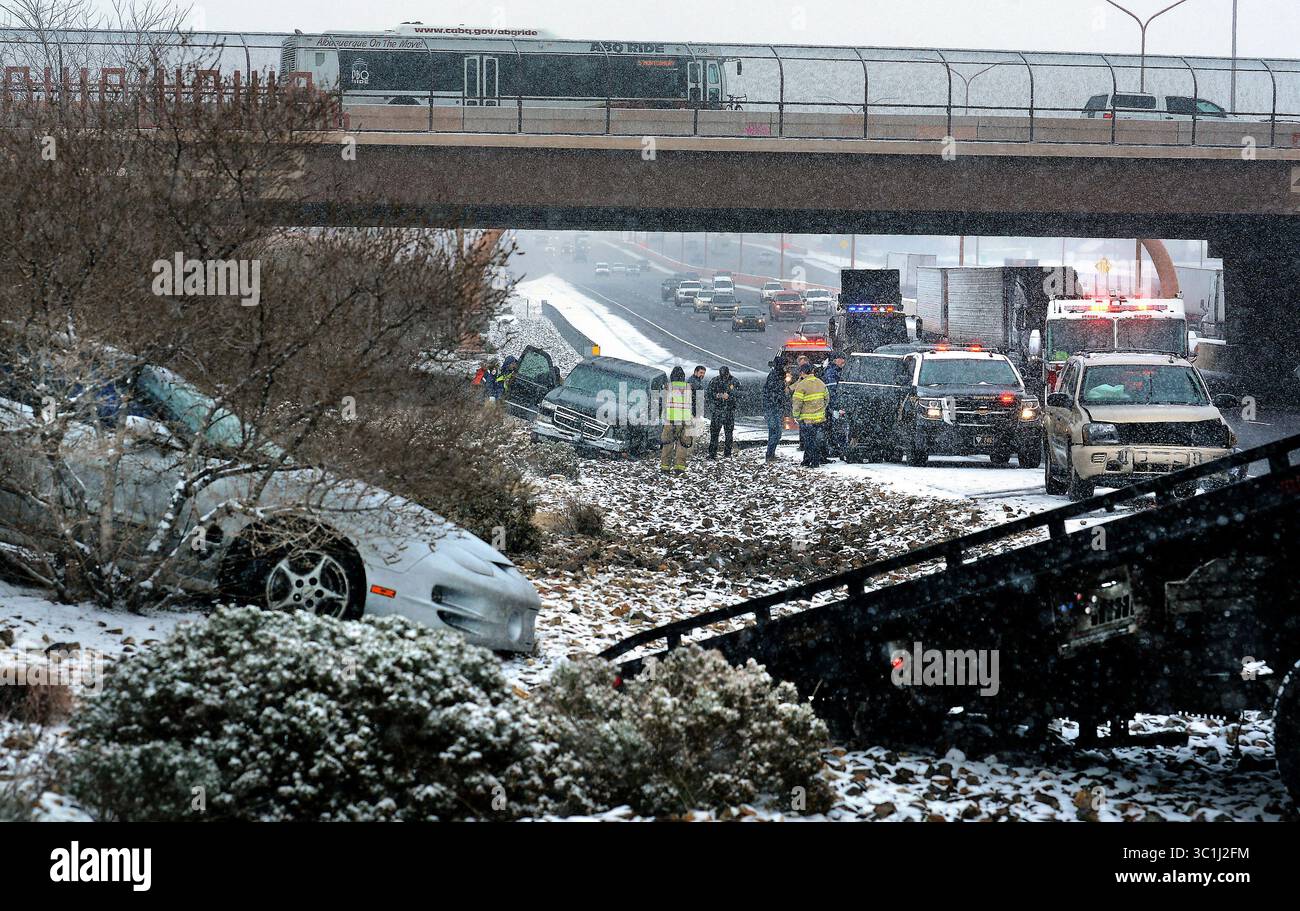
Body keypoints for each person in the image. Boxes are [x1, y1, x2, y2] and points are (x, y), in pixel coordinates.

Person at [790, 363, 829, 468]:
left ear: (802, 373)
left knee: (809, 441)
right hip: (820, 418)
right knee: (816, 440)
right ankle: (808, 460)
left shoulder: (801, 385)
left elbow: (797, 402)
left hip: (807, 420)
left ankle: (813, 461)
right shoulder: (820, 383)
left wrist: (796, 416)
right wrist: (821, 409)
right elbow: (827, 399)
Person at [660, 365, 694, 474]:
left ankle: (665, 468)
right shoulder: (689, 388)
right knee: (682, 445)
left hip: (670, 421)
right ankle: (679, 468)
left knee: (667, 445)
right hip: (685, 422)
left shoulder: (667, 387)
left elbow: (662, 404)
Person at [705, 365, 742, 459]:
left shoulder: (734, 381)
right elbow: (708, 393)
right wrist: (717, 396)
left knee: (729, 433)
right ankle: (712, 453)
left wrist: (730, 396)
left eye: (725, 376)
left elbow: (741, 394)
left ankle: (727, 453)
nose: (724, 378)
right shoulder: (715, 381)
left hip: (729, 411)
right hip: (717, 411)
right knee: (714, 433)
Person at [822, 352, 847, 460]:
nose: (843, 361)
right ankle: (835, 448)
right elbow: (832, 391)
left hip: (835, 406)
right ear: (835, 360)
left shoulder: (838, 371)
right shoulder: (831, 373)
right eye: (841, 359)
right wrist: (836, 407)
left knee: (835, 428)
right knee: (836, 428)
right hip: (834, 406)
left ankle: (835, 448)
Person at [763, 355, 787, 462]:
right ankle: (769, 454)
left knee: (773, 432)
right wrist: (782, 395)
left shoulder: (776, 375)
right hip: (773, 408)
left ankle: (770, 453)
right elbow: (773, 394)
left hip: (773, 408)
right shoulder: (775, 376)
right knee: (776, 433)